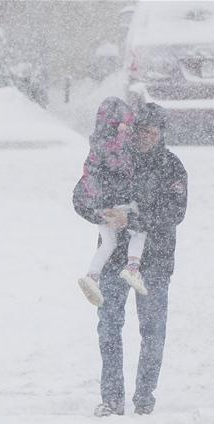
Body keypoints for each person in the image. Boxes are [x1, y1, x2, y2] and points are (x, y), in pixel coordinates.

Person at [73, 102, 188, 416]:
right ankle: (111, 398)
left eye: (154, 132)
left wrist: (134, 221)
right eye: (142, 131)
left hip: (156, 260)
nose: (147, 137)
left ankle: (145, 397)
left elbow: (175, 211)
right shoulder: (112, 159)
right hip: (112, 258)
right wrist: (101, 213)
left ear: (161, 133)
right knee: (109, 327)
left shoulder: (171, 166)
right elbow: (80, 196)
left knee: (152, 331)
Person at [76, 97, 149, 307]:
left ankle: (92, 276)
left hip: (99, 204)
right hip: (121, 201)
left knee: (108, 243)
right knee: (139, 231)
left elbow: (89, 174)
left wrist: (97, 203)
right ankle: (133, 267)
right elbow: (125, 170)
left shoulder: (95, 144)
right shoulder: (121, 144)